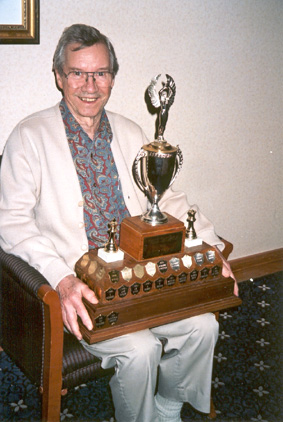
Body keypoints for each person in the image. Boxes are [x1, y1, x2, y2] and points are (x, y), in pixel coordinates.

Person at [0, 24, 237, 422]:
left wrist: (209, 249)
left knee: (202, 328)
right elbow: (11, 221)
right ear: (59, 76)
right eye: (78, 72)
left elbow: (167, 199)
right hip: (84, 283)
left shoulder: (131, 132)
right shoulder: (29, 136)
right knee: (140, 350)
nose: (90, 85)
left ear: (112, 76)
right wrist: (61, 278)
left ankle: (167, 407)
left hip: (141, 274)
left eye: (101, 73)